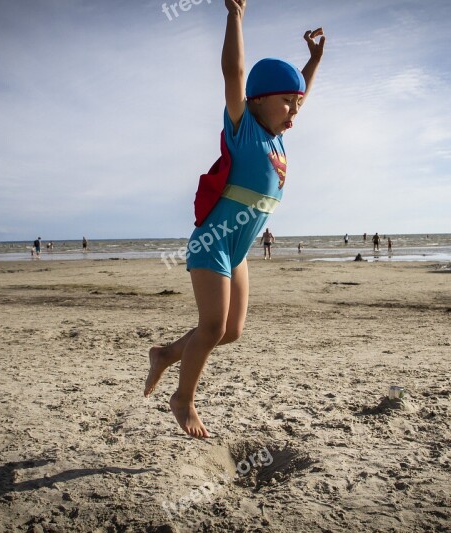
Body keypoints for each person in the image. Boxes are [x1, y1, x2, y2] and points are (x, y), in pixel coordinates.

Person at [144, 0, 324, 439]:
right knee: (211, 327)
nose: (295, 111)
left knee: (230, 331)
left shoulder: (279, 140)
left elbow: (296, 92)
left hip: (238, 249)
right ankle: (182, 399)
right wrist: (235, 17)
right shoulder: (244, 128)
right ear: (257, 102)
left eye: (297, 104)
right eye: (287, 103)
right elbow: (234, 74)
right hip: (212, 243)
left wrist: (313, 63)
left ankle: (166, 353)